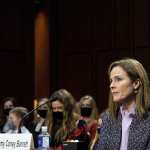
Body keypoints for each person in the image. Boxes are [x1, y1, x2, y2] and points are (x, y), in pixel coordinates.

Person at [95, 58, 150, 150]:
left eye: (118, 79)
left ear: (136, 83)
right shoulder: (107, 118)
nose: (111, 85)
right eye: (111, 80)